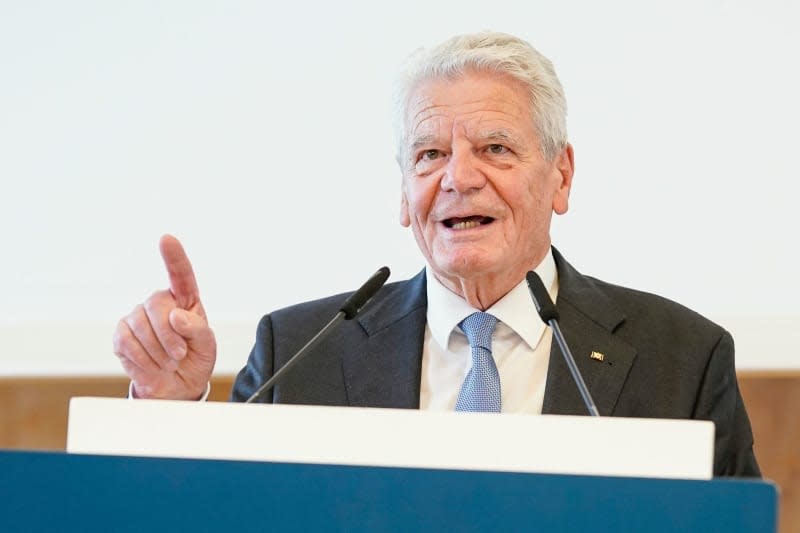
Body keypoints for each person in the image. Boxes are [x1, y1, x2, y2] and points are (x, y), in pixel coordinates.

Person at [112, 31, 760, 477]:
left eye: (496, 149)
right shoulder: (298, 352)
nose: (458, 178)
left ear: (561, 176)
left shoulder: (684, 360)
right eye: (429, 155)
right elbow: (219, 512)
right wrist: (170, 410)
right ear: (403, 192)